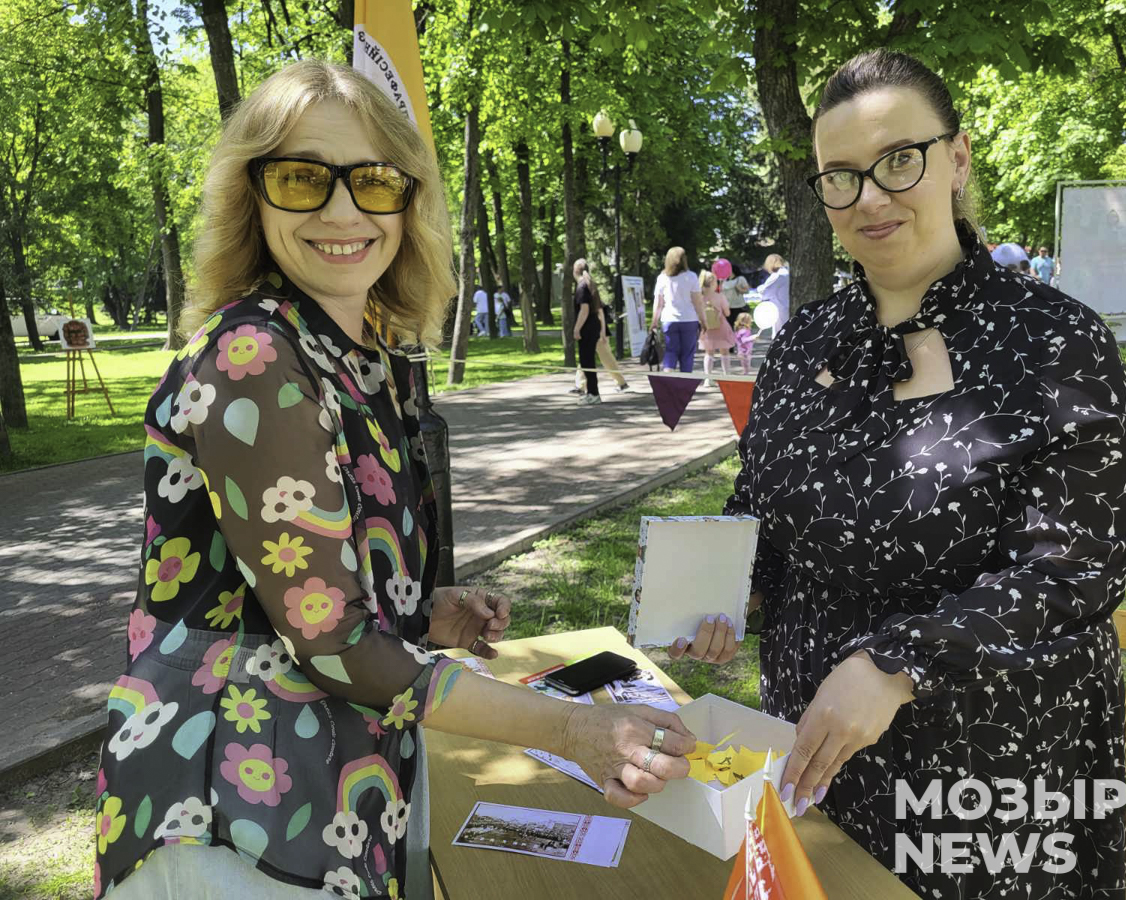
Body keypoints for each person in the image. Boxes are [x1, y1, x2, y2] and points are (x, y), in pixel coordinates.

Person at [96, 61, 695, 900]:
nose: (342, 211)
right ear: (253, 195)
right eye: (302, 177)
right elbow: (333, 641)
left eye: (373, 181)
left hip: (323, 792)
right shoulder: (256, 356)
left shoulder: (365, 357)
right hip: (231, 818)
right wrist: (576, 729)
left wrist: (420, 608)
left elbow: (311, 589)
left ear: (408, 199)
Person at [669, 49, 1126, 900]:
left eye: (900, 160)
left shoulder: (1055, 342)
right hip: (815, 748)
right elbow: (762, 513)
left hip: (994, 764)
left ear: (957, 158)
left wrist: (896, 662)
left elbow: (1075, 566)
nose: (872, 199)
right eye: (842, 177)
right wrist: (721, 591)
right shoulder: (802, 345)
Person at [650, 247, 704, 372]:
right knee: (687, 354)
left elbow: (658, 303)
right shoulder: (691, 277)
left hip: (669, 319)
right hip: (689, 320)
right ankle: (684, 385)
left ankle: (668, 382)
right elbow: (698, 302)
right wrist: (703, 320)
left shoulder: (662, 278)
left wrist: (654, 322)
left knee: (670, 351)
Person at [571, 258, 604, 405]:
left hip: (587, 328)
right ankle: (591, 392)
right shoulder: (589, 285)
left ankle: (594, 393)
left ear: (574, 271)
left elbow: (584, 310)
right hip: (593, 326)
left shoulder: (581, 287)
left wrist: (576, 328)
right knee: (587, 361)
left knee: (587, 361)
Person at [697, 270, 735, 386]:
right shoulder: (720, 296)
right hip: (721, 326)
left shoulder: (700, 298)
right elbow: (727, 313)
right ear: (714, 284)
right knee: (725, 352)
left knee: (709, 353)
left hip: (706, 328)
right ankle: (726, 376)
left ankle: (708, 379)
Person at [757, 253, 790, 338]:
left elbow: (765, 291)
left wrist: (759, 288)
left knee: (780, 334)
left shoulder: (778, 276)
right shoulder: (787, 273)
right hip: (786, 306)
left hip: (780, 308)